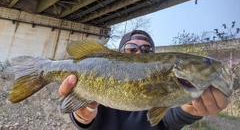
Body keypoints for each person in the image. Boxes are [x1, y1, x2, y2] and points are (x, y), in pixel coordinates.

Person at [59, 30, 230, 130]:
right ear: (118, 53)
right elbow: (89, 121)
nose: (139, 51)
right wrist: (84, 113)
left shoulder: (176, 85)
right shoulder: (102, 71)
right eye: (131, 48)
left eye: (147, 49)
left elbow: (169, 120)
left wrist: (190, 111)